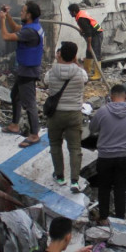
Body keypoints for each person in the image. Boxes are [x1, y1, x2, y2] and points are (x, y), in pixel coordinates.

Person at [90, 84, 126, 224]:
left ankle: (103, 217)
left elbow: (92, 129)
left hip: (106, 155)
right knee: (121, 188)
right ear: (125, 96)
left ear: (111, 96)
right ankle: (120, 219)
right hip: (125, 156)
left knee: (104, 187)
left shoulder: (102, 111)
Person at [45, 41, 89, 192]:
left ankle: (60, 176)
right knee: (75, 147)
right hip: (74, 114)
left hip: (55, 114)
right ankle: (75, 181)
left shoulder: (51, 72)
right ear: (75, 56)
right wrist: (75, 62)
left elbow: (45, 81)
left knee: (55, 144)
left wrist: (58, 61)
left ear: (59, 54)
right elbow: (85, 78)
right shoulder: (80, 73)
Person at [1, 0, 44, 146]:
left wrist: (1, 20)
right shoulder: (33, 26)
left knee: (29, 103)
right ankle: (14, 125)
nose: (20, 13)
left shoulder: (29, 31)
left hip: (29, 72)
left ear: (29, 14)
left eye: (23, 11)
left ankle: (34, 135)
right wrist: (7, 16)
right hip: (24, 69)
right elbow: (14, 27)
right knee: (15, 96)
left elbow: (6, 36)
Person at [68, 3, 104, 81]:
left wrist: (89, 45)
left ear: (74, 12)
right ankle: (86, 71)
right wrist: (82, 30)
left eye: (70, 12)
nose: (69, 13)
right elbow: (87, 25)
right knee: (89, 53)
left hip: (97, 34)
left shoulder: (81, 18)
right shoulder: (81, 14)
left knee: (96, 53)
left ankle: (98, 74)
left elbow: (89, 34)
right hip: (96, 31)